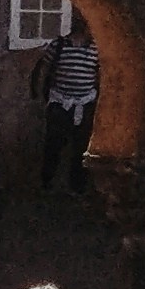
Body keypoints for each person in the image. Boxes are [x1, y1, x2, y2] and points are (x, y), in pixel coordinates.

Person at [35, 11, 99, 192]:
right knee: (53, 144)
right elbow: (44, 69)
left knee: (81, 147)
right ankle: (47, 182)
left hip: (85, 104)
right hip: (60, 103)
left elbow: (99, 74)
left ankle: (77, 186)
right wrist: (41, 96)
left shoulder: (95, 49)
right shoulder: (59, 45)